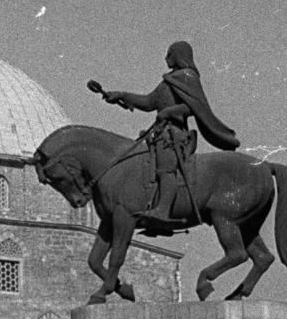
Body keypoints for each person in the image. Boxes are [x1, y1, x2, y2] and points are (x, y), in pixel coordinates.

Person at [92, 40, 242, 225]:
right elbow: (148, 102)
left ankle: (163, 211)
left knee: (165, 168)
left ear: (179, 55)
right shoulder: (169, 80)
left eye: (169, 54)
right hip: (160, 134)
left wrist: (169, 112)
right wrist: (121, 95)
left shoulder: (188, 76)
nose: (166, 58)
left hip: (174, 136)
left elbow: (195, 107)